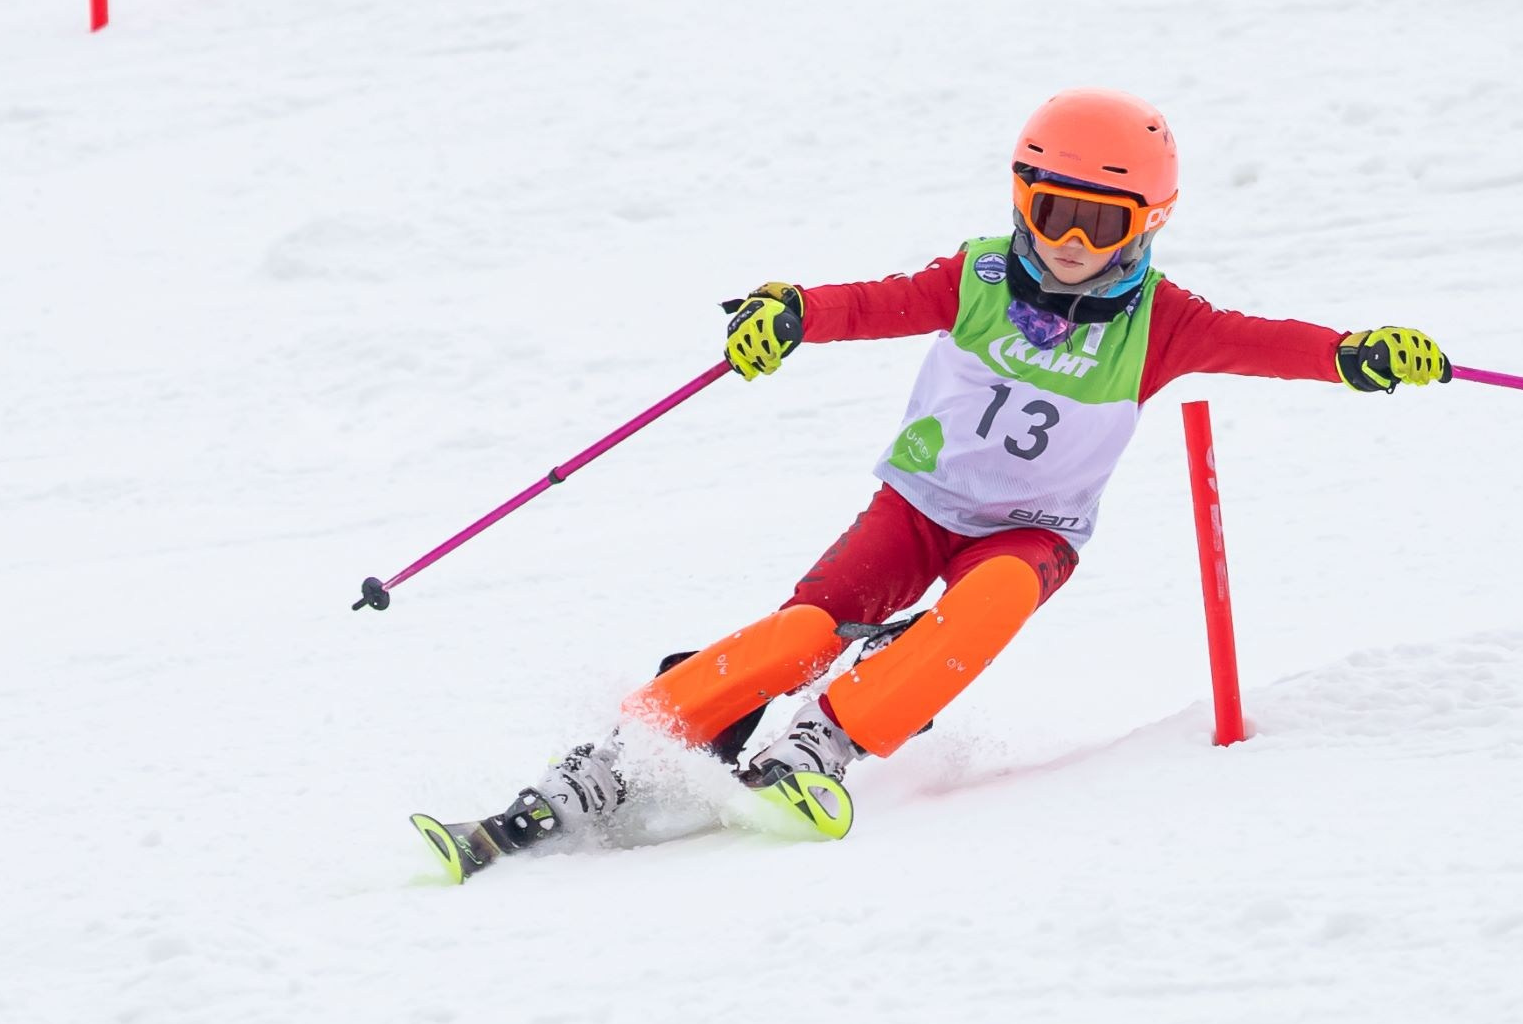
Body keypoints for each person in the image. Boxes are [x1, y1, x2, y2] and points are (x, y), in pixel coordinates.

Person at [501, 88, 1447, 849]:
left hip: (1033, 531)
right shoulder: (978, 278)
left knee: (989, 605)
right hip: (916, 506)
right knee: (803, 631)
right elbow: (873, 303)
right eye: (1054, 212)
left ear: (1147, 225)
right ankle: (623, 752)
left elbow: (1264, 341)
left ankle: (817, 746)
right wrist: (792, 311)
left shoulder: (1166, 322)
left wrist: (1353, 353)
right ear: (1020, 199)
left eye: (1099, 223)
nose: (1071, 243)